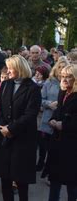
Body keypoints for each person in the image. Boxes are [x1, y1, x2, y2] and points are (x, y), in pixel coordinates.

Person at [0, 55, 41, 201]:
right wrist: (3, 126)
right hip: (4, 139)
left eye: (11, 68)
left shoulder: (33, 89)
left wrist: (11, 129)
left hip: (22, 140)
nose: (8, 71)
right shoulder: (6, 84)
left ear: (19, 68)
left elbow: (30, 114)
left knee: (21, 181)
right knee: (5, 179)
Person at [47, 64, 77, 201]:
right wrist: (53, 120)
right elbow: (58, 111)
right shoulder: (63, 92)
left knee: (72, 184)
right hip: (57, 144)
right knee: (55, 180)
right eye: (62, 76)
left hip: (72, 146)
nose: (64, 80)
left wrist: (63, 125)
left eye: (68, 77)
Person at [37, 57, 69, 174]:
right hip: (46, 117)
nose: (61, 70)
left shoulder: (69, 84)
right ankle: (41, 162)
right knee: (43, 144)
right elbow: (40, 99)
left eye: (64, 67)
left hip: (60, 119)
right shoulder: (49, 82)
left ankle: (49, 168)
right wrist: (49, 104)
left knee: (54, 146)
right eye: (59, 67)